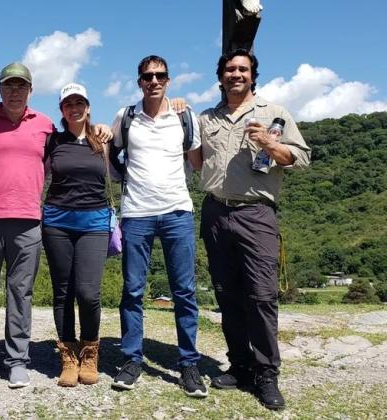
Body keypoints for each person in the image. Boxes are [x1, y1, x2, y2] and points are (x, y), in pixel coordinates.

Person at [198, 48, 310, 410]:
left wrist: (270, 144)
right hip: (216, 212)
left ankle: (267, 374)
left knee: (261, 297)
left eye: (243, 69)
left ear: (252, 75)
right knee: (227, 295)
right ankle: (241, 365)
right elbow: (193, 155)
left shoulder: (274, 113)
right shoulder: (207, 117)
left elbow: (302, 159)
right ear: (221, 76)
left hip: (256, 214)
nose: (236, 74)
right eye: (230, 69)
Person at [108, 55, 207, 398]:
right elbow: (112, 157)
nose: (154, 80)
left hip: (177, 211)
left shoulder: (184, 115)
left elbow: (196, 161)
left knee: (184, 291)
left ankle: (189, 364)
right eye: (148, 76)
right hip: (136, 213)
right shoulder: (127, 116)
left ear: (168, 79)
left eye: (160, 75)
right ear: (139, 81)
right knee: (133, 291)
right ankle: (132, 359)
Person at [0, 62, 54, 390]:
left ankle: (17, 360)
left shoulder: (44, 125)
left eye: (21, 86)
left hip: (29, 221)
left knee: (20, 293)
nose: (15, 92)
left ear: (30, 89)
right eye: (9, 85)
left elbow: (55, 161)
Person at [41, 83, 110, 387]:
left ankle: (90, 351)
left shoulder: (103, 140)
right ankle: (68, 355)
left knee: (88, 293)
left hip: (95, 223)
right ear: (62, 110)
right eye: (68, 103)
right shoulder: (53, 141)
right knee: (63, 292)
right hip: (57, 222)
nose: (75, 107)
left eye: (80, 102)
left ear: (88, 107)